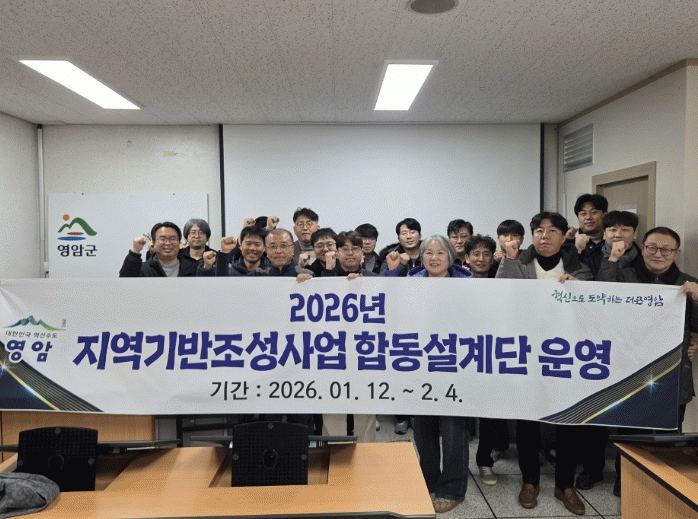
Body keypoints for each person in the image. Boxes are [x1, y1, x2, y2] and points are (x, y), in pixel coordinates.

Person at [496, 211, 592, 516]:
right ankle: (530, 481)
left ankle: (565, 484)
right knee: (527, 419)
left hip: (567, 355)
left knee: (568, 421)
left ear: (564, 236)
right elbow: (501, 295)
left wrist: (580, 287)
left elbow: (595, 306)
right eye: (539, 230)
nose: (544, 236)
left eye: (552, 231)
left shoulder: (579, 267)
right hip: (527, 352)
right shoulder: (520, 262)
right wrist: (509, 260)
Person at [597, 226, 698, 496]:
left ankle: (663, 487)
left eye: (666, 249)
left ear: (676, 253)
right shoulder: (624, 276)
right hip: (629, 370)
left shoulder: (688, 283)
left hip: (672, 373)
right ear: (642, 249)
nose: (658, 254)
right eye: (652, 247)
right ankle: (626, 482)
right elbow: (600, 304)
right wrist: (613, 259)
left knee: (668, 434)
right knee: (629, 432)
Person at [574, 211, 641, 492]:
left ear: (634, 234)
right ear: (605, 232)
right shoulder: (589, 256)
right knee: (596, 412)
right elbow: (597, 294)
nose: (618, 234)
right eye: (612, 229)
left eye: (625, 229)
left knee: (631, 413)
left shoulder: (645, 260)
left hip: (634, 346)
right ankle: (592, 469)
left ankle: (627, 474)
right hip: (597, 344)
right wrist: (611, 260)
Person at [408, 235, 472, 514]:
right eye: (428, 253)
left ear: (450, 257)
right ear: (421, 257)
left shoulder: (468, 286)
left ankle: (452, 488)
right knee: (423, 429)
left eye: (440, 252)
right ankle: (428, 479)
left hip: (455, 365)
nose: (434, 258)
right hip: (419, 364)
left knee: (453, 429)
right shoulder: (408, 286)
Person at [463, 234, 510, 485]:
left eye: (486, 254)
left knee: (490, 412)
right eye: (476, 254)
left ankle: (484, 462)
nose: (481, 259)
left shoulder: (502, 282)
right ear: (466, 258)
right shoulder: (455, 283)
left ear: (493, 258)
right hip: (461, 354)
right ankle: (457, 465)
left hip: (492, 354)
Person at [120, 222, 198, 277]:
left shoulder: (193, 267)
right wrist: (135, 251)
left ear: (179, 242)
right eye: (162, 239)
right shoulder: (144, 269)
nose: (168, 243)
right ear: (153, 243)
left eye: (173, 238)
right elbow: (125, 282)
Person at [200, 226, 270, 276]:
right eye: (248, 244)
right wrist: (224, 252)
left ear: (264, 248)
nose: (252, 248)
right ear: (240, 246)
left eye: (257, 244)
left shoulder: (271, 272)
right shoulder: (229, 271)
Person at [566, 194, 608, 277]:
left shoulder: (613, 242)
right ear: (578, 217)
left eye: (594, 212)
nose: (588, 217)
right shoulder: (569, 243)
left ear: (604, 214)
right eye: (583, 214)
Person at [249, 228, 313, 278]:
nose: (278, 251)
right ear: (266, 250)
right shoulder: (257, 275)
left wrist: (306, 282)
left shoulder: (306, 275)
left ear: (293, 249)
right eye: (273, 246)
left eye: (284, 246)